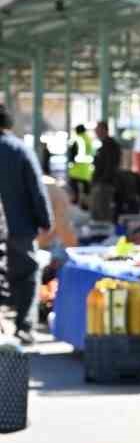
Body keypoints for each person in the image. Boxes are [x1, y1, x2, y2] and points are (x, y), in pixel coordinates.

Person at [0, 104, 52, 343]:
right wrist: (45, 220)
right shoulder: (19, 150)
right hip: (20, 227)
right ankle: (24, 327)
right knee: (27, 275)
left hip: (11, 226)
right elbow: (36, 189)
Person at [91, 119, 121, 222]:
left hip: (104, 184)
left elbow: (110, 166)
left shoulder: (110, 145)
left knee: (102, 211)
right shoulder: (104, 145)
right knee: (98, 210)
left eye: (98, 130)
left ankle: (104, 234)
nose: (96, 132)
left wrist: (102, 180)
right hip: (101, 183)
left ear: (104, 130)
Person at [67, 123, 93, 203]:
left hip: (77, 168)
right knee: (86, 188)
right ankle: (85, 202)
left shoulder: (77, 139)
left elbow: (72, 154)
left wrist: (71, 162)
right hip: (87, 168)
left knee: (74, 186)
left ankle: (76, 199)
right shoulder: (89, 139)